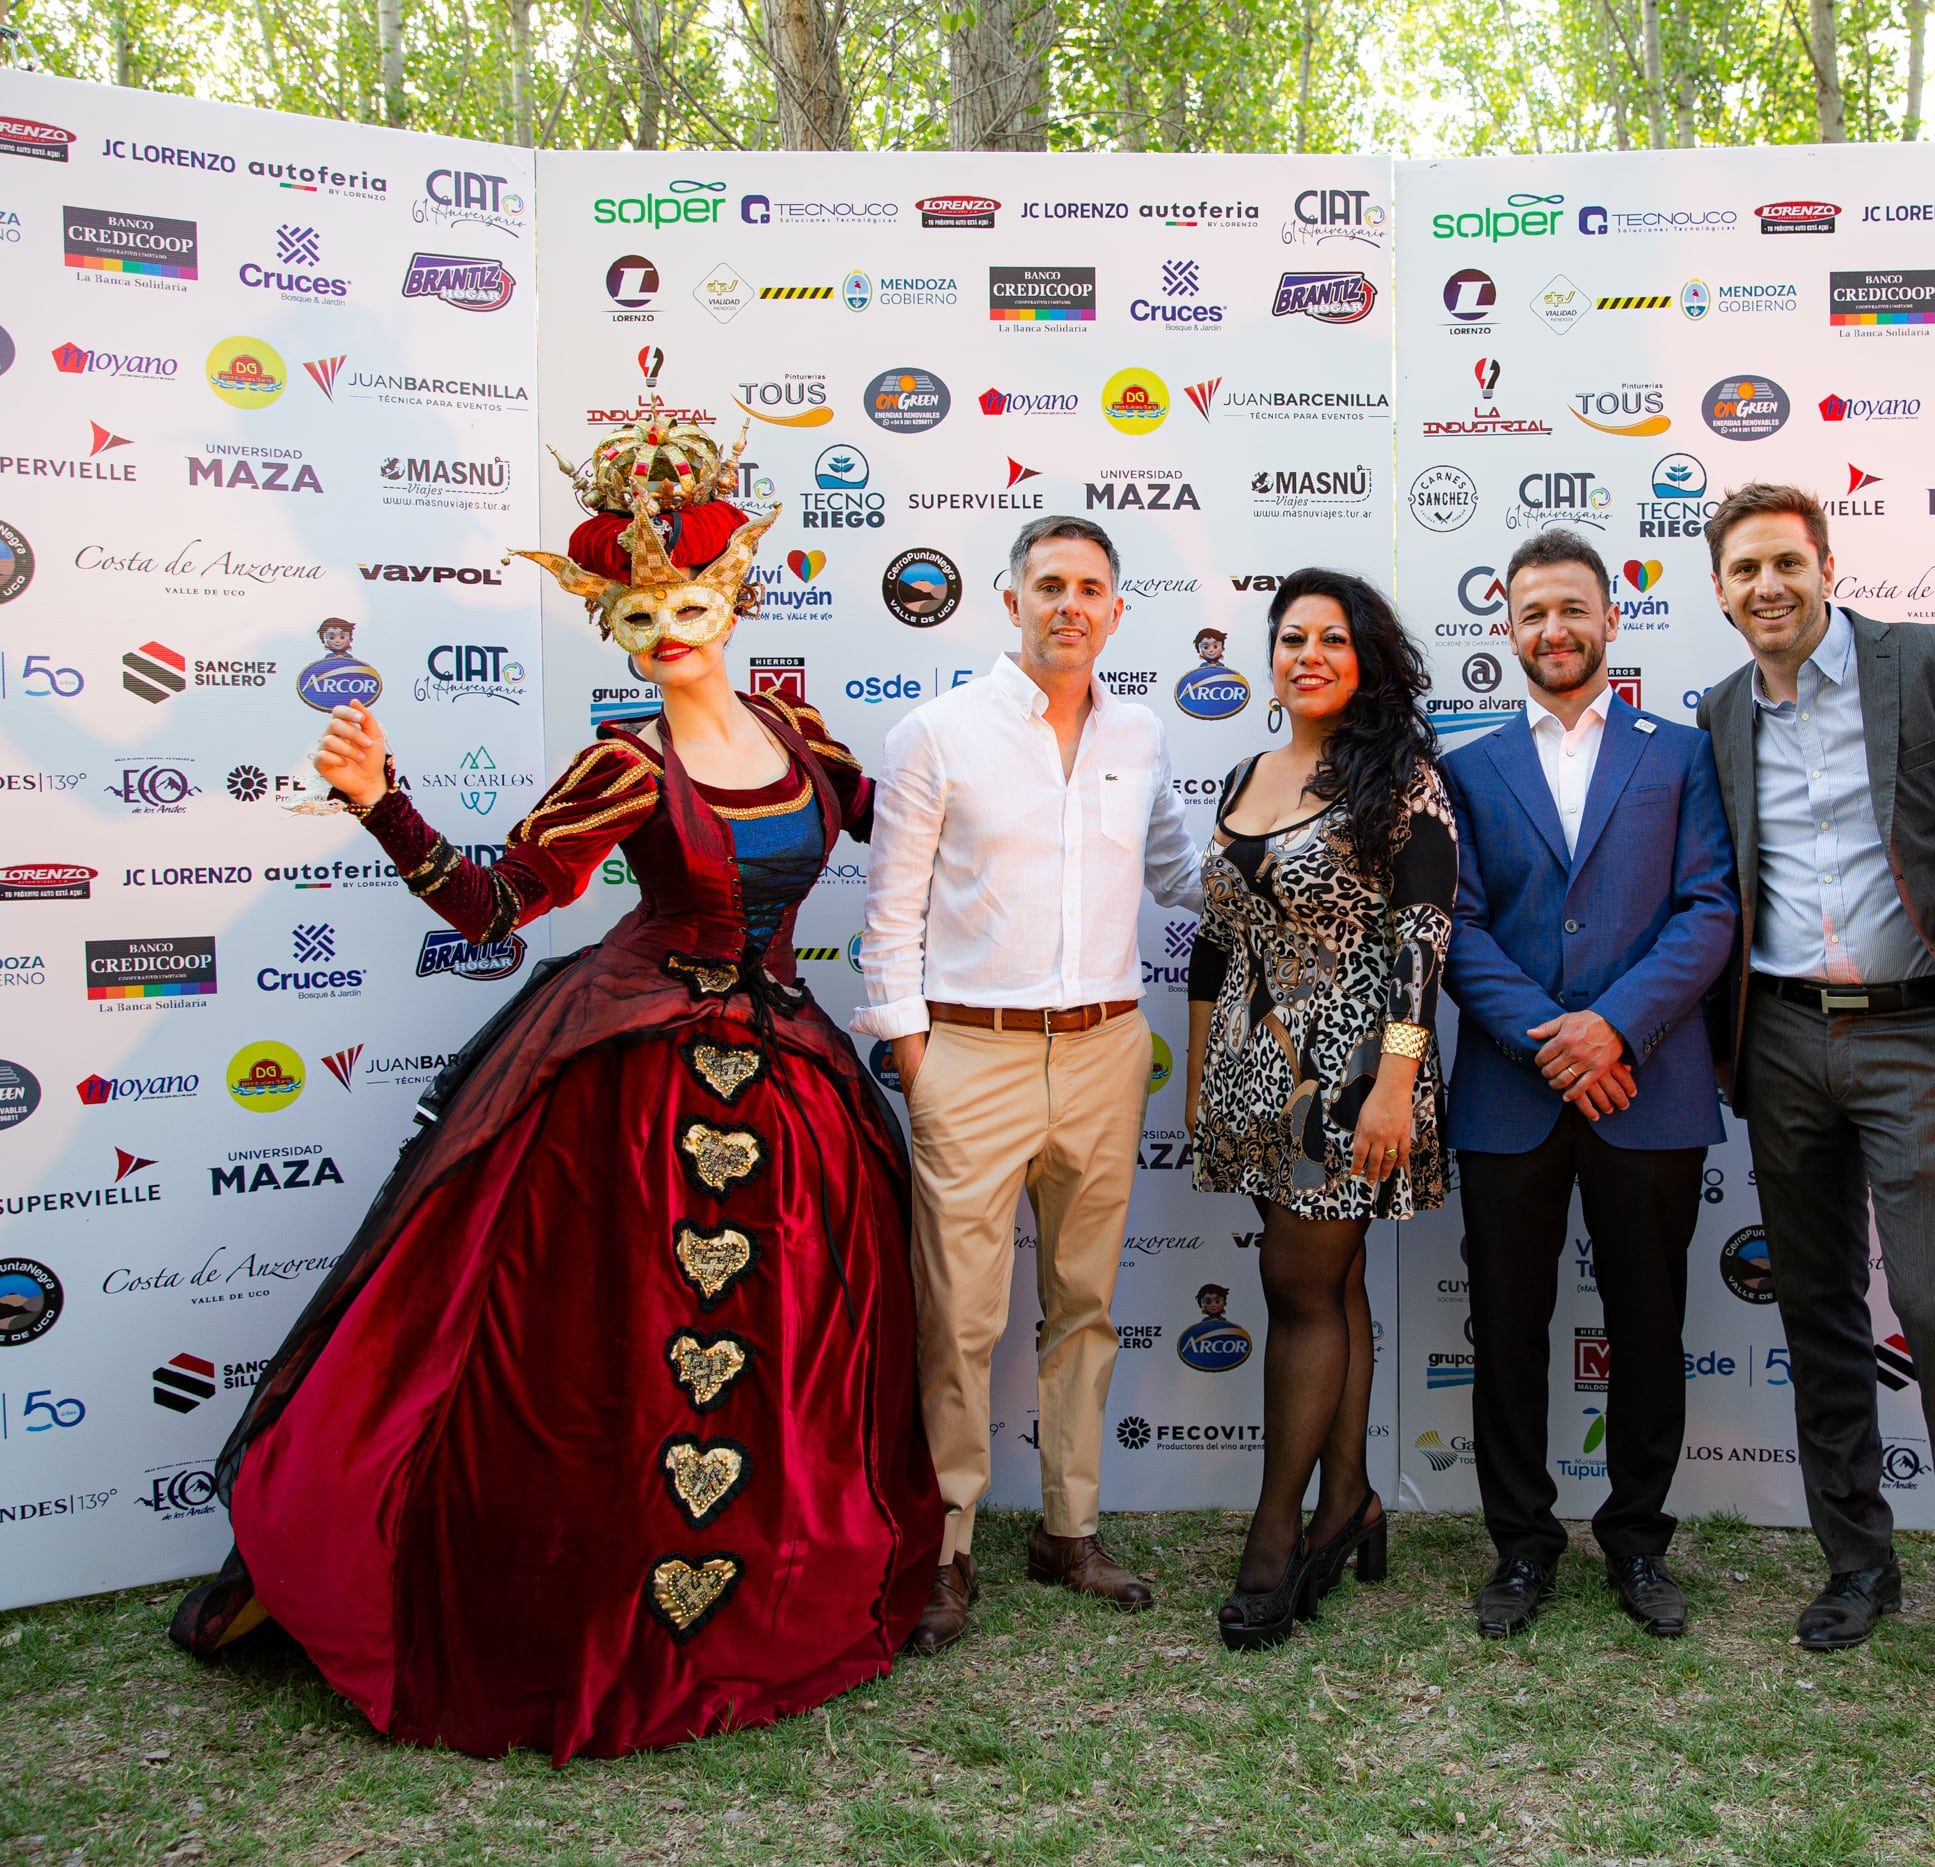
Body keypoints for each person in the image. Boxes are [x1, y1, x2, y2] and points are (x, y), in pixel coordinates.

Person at [168, 402, 945, 1761]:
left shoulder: (805, 739)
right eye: (644, 617)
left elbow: (925, 832)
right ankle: (583, 1602)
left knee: (787, 1351)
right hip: (630, 1081)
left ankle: (767, 1586)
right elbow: (489, 906)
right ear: (617, 629)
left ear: (736, 592)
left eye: (695, 598)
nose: (676, 631)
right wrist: (382, 799)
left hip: (788, 1070)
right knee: (609, 1355)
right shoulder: (621, 766)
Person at [1692, 481, 1935, 1733]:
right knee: (1817, 1309)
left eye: (1785, 563)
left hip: (1920, 1029)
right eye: (1743, 571)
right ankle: (1858, 1564)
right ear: (1719, 590)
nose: (1767, 588)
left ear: (1826, 563)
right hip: (1782, 1038)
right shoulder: (1717, 713)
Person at [856, 514, 1205, 1649]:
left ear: (1115, 610)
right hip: (972, 1052)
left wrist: (1307, 853)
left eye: (1090, 586)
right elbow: (890, 916)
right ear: (1008, 602)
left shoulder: (1143, 733)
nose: (1070, 602)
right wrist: (919, 1061)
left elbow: (1179, 873)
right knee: (959, 1314)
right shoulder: (937, 734)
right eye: (1048, 583)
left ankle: (1069, 1526)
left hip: (1107, 1049)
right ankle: (948, 1543)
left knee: (1086, 1306)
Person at [1438, 528, 1736, 1639]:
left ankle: (1639, 1541)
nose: (1552, 630)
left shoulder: (1683, 752)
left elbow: (1709, 907)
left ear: (1612, 618)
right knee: (1506, 1328)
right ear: (1506, 630)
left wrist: (1612, 1028)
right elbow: (1454, 925)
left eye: (1572, 609)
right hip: (1511, 1100)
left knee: (1649, 1324)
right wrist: (1544, 1037)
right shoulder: (1463, 768)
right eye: (1530, 614)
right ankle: (1520, 1545)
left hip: (1646, 1086)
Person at [1185, 568, 1454, 1651]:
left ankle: (1275, 1536)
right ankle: (1353, 1505)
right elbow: (1215, 938)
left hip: (1351, 1075)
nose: (1308, 654)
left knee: (1294, 1288)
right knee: (1328, 1282)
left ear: (1365, 658)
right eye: (1290, 636)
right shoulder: (1246, 771)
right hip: (1255, 1070)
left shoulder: (1402, 779)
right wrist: (1205, 1077)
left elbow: (1422, 939)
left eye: (1331, 639)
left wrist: (1394, 1082)